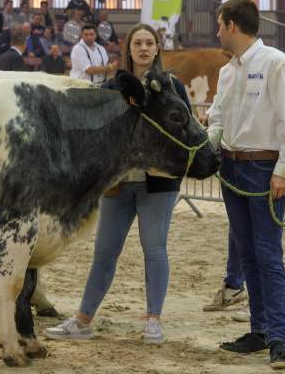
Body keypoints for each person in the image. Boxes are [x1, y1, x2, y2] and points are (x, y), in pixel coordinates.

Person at [44, 23, 192, 345]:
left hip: (158, 184)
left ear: (156, 49)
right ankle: (83, 320)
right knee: (104, 253)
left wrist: (175, 171)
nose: (143, 48)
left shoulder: (172, 87)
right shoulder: (112, 88)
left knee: (154, 250)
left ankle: (153, 320)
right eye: (137, 43)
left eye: (149, 43)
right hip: (118, 185)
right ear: (128, 49)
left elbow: (187, 132)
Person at [206, 0, 285, 369]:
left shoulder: (276, 63)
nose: (217, 31)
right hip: (231, 169)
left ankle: (279, 339)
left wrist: (284, 169)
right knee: (247, 253)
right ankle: (259, 331)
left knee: (268, 255)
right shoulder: (228, 71)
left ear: (232, 25)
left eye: (219, 24)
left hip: (263, 170)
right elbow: (217, 118)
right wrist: (206, 147)